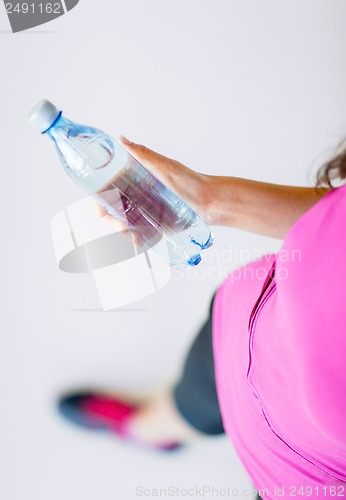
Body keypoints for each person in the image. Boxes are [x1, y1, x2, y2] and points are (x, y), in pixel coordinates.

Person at [58, 136, 346, 499]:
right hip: (243, 330)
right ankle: (141, 430)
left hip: (292, 478)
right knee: (179, 408)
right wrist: (209, 199)